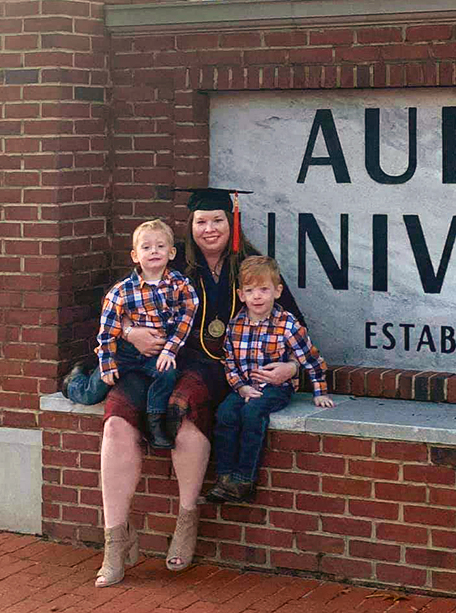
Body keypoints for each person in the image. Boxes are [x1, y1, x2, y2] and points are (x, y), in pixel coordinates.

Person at [91, 188, 306, 588]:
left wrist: (291, 366)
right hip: (157, 361)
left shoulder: (252, 268)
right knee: (116, 421)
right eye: (201, 221)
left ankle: (186, 520)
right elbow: (114, 309)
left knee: (182, 408)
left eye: (218, 220)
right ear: (189, 229)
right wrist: (131, 332)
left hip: (222, 370)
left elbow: (295, 327)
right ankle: (115, 539)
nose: (210, 229)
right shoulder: (174, 268)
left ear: (232, 223)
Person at [207, 256, 334, 503]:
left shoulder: (287, 324)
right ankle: (224, 478)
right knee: (225, 414)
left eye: (264, 289)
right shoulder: (235, 325)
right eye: (250, 290)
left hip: (275, 388)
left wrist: (320, 391)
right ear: (241, 294)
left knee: (253, 414)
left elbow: (311, 357)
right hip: (244, 388)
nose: (257, 296)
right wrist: (241, 387)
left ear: (277, 291)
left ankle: (244, 479)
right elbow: (229, 362)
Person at [63, 219, 198, 449]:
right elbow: (107, 331)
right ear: (135, 256)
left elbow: (185, 321)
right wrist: (106, 363)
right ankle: (74, 382)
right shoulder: (121, 291)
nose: (154, 251)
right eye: (146, 247)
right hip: (124, 353)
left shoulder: (181, 286)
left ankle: (155, 423)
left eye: (160, 246)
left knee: (167, 373)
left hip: (156, 353)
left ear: (172, 252)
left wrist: (169, 351)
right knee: (94, 392)